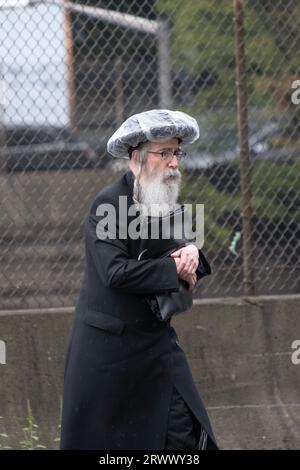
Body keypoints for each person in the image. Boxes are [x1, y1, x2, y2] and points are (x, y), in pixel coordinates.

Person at [60, 109, 218, 450]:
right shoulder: (108, 204)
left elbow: (189, 259)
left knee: (186, 433)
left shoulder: (165, 205)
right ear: (137, 158)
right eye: (164, 153)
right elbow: (115, 273)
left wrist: (191, 252)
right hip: (109, 356)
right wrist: (173, 266)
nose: (174, 162)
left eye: (177, 152)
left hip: (156, 349)